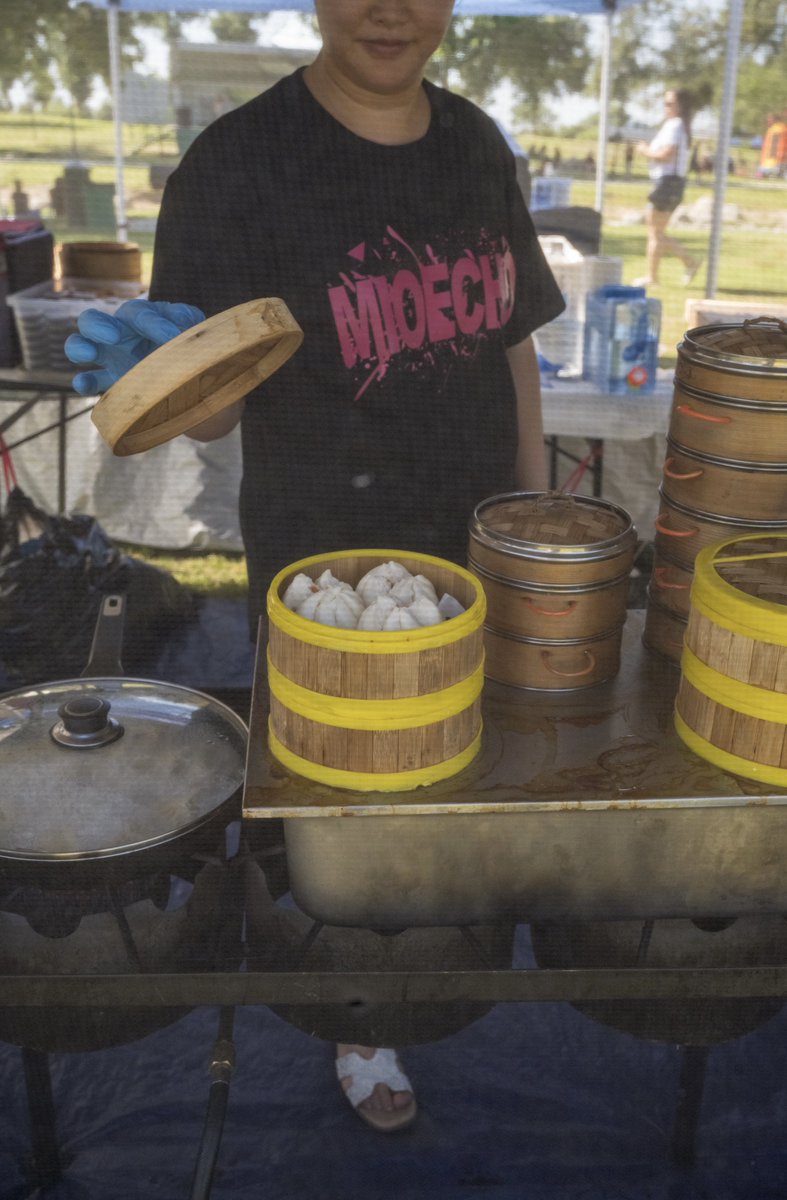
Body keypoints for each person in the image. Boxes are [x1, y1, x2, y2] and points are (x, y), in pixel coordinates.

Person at [65, 0, 564, 1135]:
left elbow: (512, 342)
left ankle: (455, 944)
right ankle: (364, 1011)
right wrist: (168, 370)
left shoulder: (477, 142)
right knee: (346, 819)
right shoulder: (237, 161)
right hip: (330, 585)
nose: (388, 12)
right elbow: (214, 410)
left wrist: (528, 517)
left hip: (471, 552)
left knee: (467, 782)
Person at [634, 87, 702, 287]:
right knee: (656, 231)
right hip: (670, 183)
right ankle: (686, 263)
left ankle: (655, 276)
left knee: (655, 232)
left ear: (680, 106)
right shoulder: (677, 126)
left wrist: (644, 150)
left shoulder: (675, 126)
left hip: (667, 182)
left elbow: (666, 154)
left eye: (669, 103)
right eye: (665, 103)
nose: (665, 107)